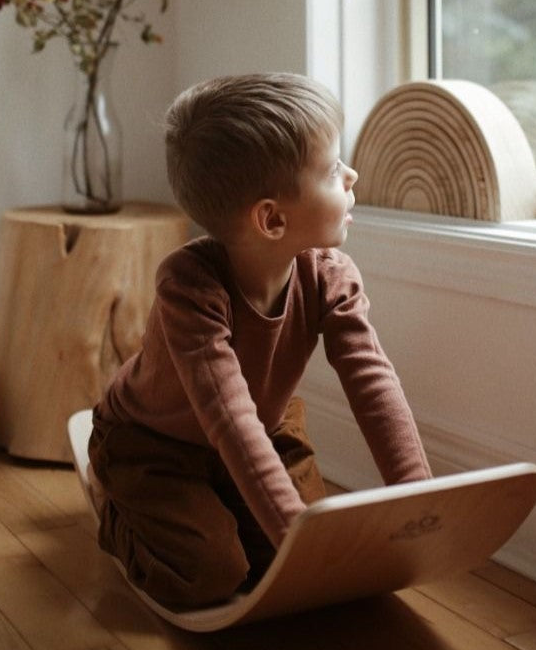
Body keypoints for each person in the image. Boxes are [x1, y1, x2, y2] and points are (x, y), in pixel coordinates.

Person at [87, 72, 432, 610]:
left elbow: (372, 380)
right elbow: (229, 418)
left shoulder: (330, 274)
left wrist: (419, 499)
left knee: (297, 557)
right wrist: (296, 535)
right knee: (212, 575)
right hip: (157, 444)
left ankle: (228, 507)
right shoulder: (189, 286)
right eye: (332, 169)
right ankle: (117, 502)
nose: (351, 174)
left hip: (263, 430)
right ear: (271, 219)